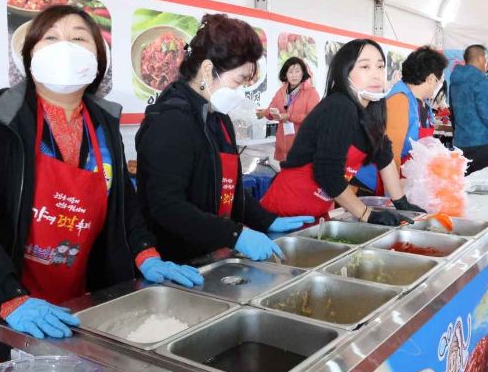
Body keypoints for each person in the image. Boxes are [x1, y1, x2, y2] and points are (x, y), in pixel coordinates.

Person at [0, 5, 201, 368]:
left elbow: (125, 204)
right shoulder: (1, 118)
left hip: (72, 304)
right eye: (50, 38)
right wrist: (9, 297)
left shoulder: (104, 123)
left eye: (78, 38)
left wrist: (145, 253)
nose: (65, 47)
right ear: (29, 56)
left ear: (97, 59)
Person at [135, 14, 312, 264]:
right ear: (208, 70)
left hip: (213, 254)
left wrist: (267, 220)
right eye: (239, 80)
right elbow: (167, 206)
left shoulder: (218, 118)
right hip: (179, 260)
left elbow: (231, 190)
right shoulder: (170, 120)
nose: (240, 92)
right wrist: (235, 234)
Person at [259, 39, 424, 224]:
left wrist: (401, 202)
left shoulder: (369, 111)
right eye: (365, 67)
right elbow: (327, 173)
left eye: (380, 66)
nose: (377, 75)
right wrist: (367, 214)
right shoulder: (339, 107)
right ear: (345, 72)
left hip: (313, 213)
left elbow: (383, 155)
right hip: (284, 211)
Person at [384, 46, 448, 170]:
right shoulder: (399, 100)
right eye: (439, 81)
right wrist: (395, 188)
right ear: (430, 79)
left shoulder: (424, 103)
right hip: (389, 179)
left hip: (410, 173)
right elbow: (390, 156)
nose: (439, 86)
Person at [449, 45, 488, 174]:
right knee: (484, 185)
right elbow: (485, 111)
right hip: (481, 142)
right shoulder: (481, 78)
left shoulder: (455, 79)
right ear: (481, 58)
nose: (487, 63)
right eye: (487, 59)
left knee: (463, 186)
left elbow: (454, 110)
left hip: (460, 142)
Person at [259, 56, 320, 161]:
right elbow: (271, 109)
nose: (294, 75)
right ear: (285, 75)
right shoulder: (281, 91)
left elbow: (313, 119)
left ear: (303, 73)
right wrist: (264, 113)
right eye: (290, 72)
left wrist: (289, 116)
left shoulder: (311, 93)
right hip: (282, 147)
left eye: (297, 71)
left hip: (303, 148)